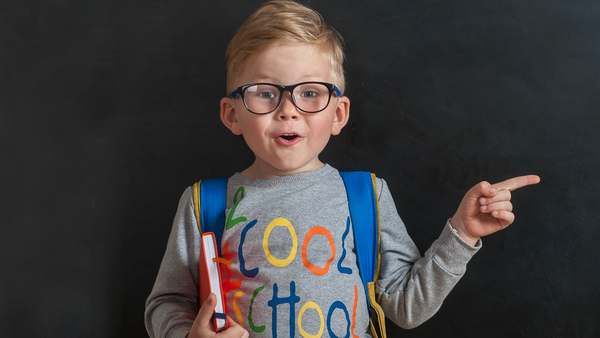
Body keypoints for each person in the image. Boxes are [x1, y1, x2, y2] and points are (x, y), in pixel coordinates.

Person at [144, 1, 540, 337]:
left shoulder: (367, 196)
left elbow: (406, 307)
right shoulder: (205, 204)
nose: (288, 110)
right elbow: (167, 302)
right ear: (232, 114)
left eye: (310, 93)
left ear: (339, 113)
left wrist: (462, 234)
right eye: (265, 93)